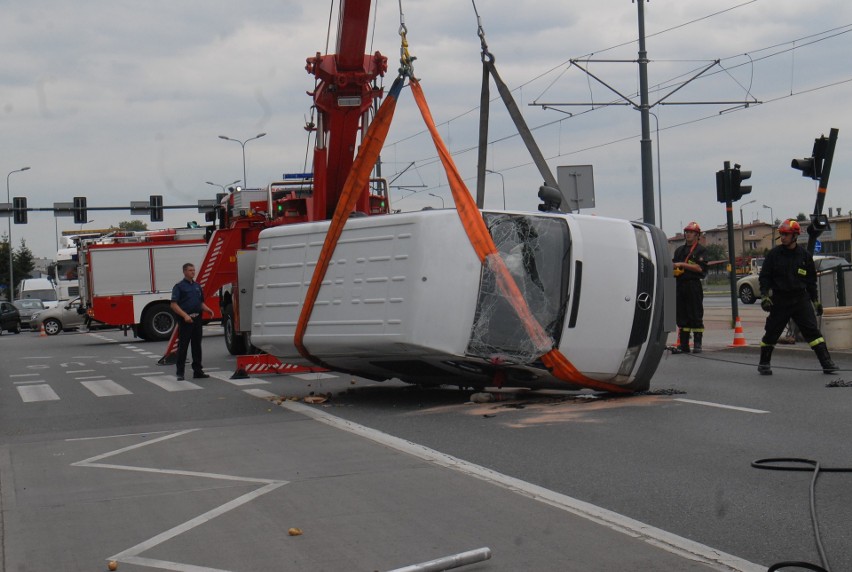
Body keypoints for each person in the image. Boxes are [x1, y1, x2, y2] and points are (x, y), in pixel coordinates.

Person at [757, 219, 837, 375]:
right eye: (781, 234)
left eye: (786, 234)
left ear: (795, 236)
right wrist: (765, 296)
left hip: (800, 300)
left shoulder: (804, 256)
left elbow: (811, 282)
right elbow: (764, 278)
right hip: (780, 300)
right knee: (772, 332)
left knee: (813, 332)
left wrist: (815, 301)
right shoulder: (774, 255)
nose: (783, 237)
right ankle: (764, 363)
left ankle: (827, 363)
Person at [170, 263, 213, 380]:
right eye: (190, 270)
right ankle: (180, 373)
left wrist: (207, 309)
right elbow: (173, 304)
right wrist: (184, 316)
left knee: (197, 346)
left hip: (197, 320)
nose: (193, 272)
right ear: (184, 272)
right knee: (183, 347)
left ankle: (198, 371)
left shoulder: (197, 286)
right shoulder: (179, 287)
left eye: (193, 270)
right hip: (186, 321)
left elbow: (200, 302)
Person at [671, 221, 708, 353]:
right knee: (681, 315)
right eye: (687, 232)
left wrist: (682, 264)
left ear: (697, 235)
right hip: (680, 284)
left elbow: (699, 268)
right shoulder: (679, 250)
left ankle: (697, 344)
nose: (688, 234)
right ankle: (684, 345)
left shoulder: (701, 250)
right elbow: (673, 265)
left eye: (691, 232)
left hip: (693, 285)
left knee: (695, 314)